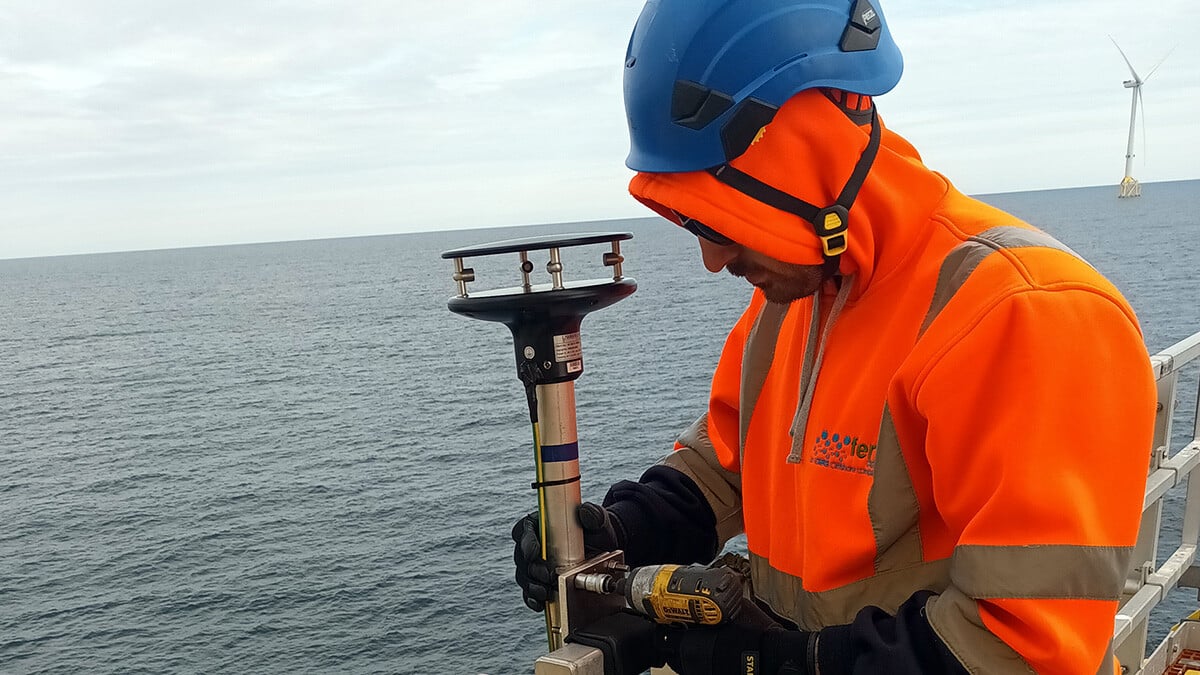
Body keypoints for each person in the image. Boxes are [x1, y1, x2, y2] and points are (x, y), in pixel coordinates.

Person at [512, 0, 1158, 673]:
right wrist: (623, 530)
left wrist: (788, 662)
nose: (712, 259)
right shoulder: (792, 301)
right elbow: (724, 463)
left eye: (719, 218)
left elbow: (1026, 647)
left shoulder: (1024, 314)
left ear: (806, 153)